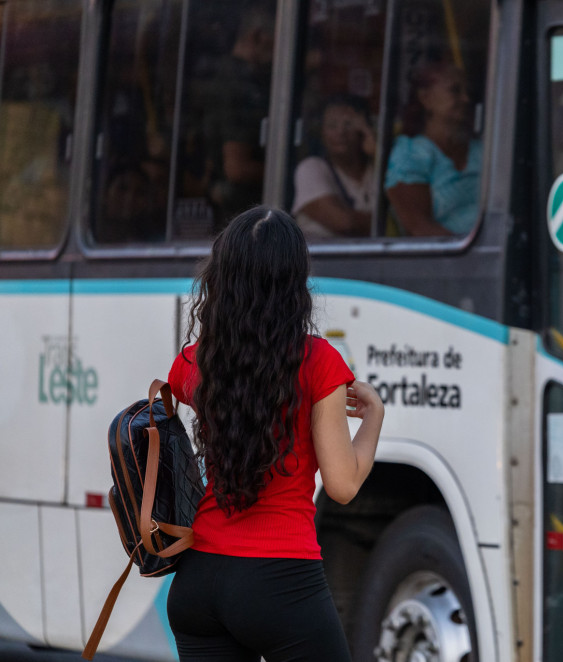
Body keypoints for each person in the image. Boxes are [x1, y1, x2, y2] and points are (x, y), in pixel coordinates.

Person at [166, 206, 385, 661]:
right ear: (293, 283)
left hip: (198, 580)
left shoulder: (193, 363)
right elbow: (343, 485)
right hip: (281, 581)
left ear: (222, 278)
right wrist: (373, 417)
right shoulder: (318, 363)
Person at [385, 61, 482, 236]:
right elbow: (419, 228)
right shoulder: (411, 154)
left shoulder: (481, 149)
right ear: (425, 98)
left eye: (468, 92)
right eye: (455, 90)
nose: (466, 99)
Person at [203, 6, 275, 226]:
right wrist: (290, 168)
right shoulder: (241, 86)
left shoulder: (223, 75)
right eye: (275, 39)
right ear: (257, 35)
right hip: (242, 215)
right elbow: (237, 167)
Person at [292, 95, 376, 237]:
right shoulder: (311, 168)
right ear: (322, 133)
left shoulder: (377, 170)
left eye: (349, 124)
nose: (340, 132)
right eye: (332, 125)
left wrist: (377, 152)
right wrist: (385, 222)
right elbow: (343, 223)